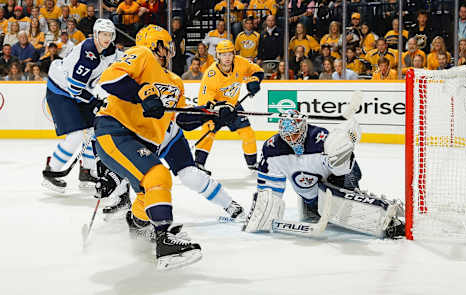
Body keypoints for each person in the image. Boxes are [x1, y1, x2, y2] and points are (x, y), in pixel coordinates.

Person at [94, 25, 244, 270]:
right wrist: (143, 94)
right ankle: (165, 242)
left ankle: (137, 224)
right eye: (166, 45)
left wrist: (214, 115)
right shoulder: (141, 54)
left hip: (140, 141)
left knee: (147, 193)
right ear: (156, 45)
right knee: (158, 174)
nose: (170, 50)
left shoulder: (175, 81)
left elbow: (181, 119)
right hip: (116, 131)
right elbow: (109, 79)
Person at [242, 109, 405, 239]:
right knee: (318, 196)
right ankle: (314, 208)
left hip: (336, 183)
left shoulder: (322, 140)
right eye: (287, 136)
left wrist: (343, 150)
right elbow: (270, 188)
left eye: (295, 134)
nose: (292, 139)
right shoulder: (273, 149)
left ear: (304, 128)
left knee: (342, 195)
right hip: (311, 197)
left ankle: (386, 220)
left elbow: (345, 171)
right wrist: (262, 212)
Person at [41, 19, 123, 194]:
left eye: (109, 35)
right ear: (96, 34)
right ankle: (52, 171)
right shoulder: (88, 54)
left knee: (95, 129)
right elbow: (75, 89)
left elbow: (123, 59)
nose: (106, 38)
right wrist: (95, 102)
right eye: (103, 34)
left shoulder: (109, 51)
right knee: (77, 135)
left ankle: (87, 172)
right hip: (60, 91)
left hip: (79, 92)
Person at [194, 39, 264, 173]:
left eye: (230, 54)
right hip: (214, 110)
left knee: (248, 133)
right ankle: (199, 163)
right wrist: (219, 109)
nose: (227, 57)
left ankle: (252, 163)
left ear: (234, 54)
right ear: (218, 56)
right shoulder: (211, 74)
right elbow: (205, 101)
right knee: (208, 133)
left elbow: (258, 71)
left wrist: (254, 81)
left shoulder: (240, 62)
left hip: (233, 106)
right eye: (223, 54)